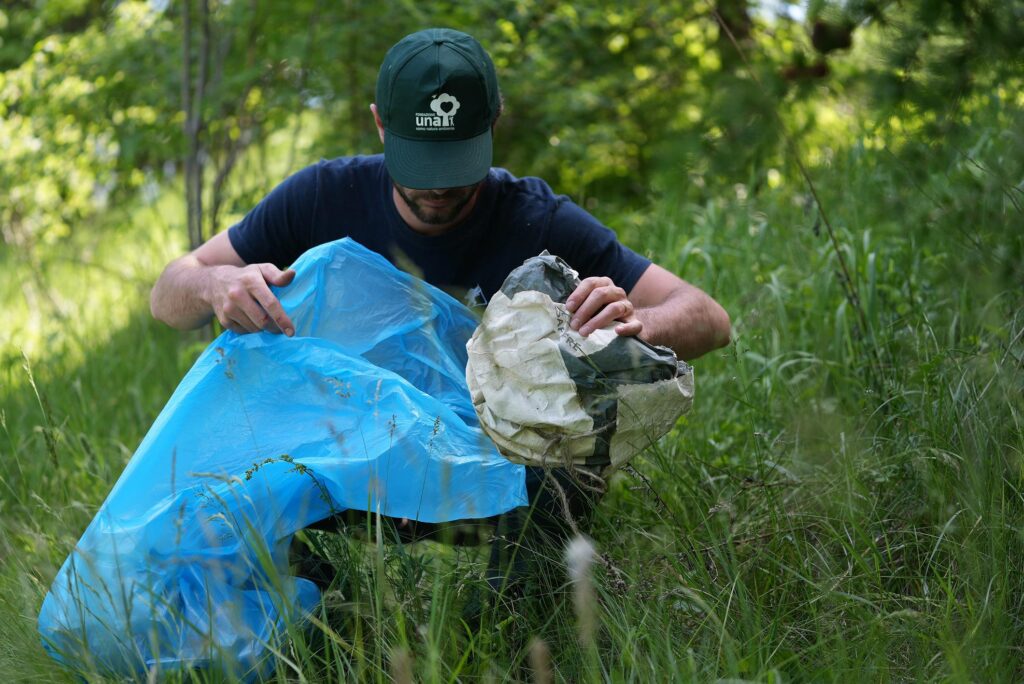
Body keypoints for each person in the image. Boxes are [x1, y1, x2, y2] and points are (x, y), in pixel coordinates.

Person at [150, 27, 730, 609]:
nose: (437, 187)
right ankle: (323, 618)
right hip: (342, 456)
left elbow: (708, 316)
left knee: (568, 464)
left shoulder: (537, 220)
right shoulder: (321, 197)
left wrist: (631, 326)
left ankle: (525, 620)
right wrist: (215, 282)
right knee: (220, 451)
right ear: (380, 125)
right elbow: (169, 292)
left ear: (493, 123)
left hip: (490, 467)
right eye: (418, 161)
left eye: (457, 161)